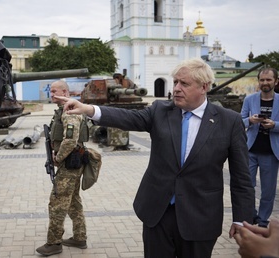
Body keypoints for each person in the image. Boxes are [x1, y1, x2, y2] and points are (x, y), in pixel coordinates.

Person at [54, 58, 255, 258]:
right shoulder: (161, 110)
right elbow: (128, 118)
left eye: (184, 83)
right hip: (158, 213)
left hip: (200, 217)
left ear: (204, 87)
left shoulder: (230, 121)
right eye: (175, 81)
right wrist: (89, 109)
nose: (176, 88)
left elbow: (241, 178)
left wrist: (241, 220)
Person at [36, 80, 90, 256]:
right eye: (50, 91)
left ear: (65, 93)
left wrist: (58, 158)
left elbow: (70, 140)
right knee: (73, 201)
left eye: (54, 91)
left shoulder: (69, 111)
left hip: (69, 164)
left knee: (57, 203)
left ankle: (54, 243)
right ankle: (79, 238)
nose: (51, 94)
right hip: (72, 162)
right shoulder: (64, 109)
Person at [240, 67, 279, 228]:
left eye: (268, 79)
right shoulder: (250, 100)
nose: (265, 83)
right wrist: (250, 120)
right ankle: (250, 216)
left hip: (271, 152)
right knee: (247, 187)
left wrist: (274, 125)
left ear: (276, 81)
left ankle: (263, 221)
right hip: (250, 150)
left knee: (268, 191)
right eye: (262, 80)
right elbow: (239, 122)